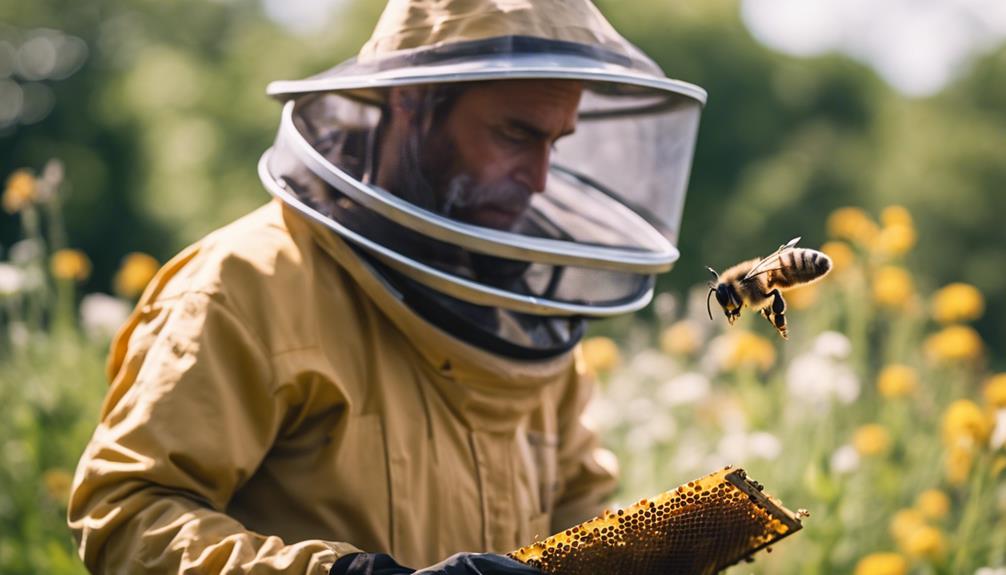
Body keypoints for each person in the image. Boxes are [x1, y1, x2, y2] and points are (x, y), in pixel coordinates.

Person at [67, 0, 707, 573]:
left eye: (555, 142)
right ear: (413, 99)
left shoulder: (527, 312)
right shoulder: (246, 285)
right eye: (515, 133)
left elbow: (580, 515)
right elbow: (127, 516)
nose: (540, 178)